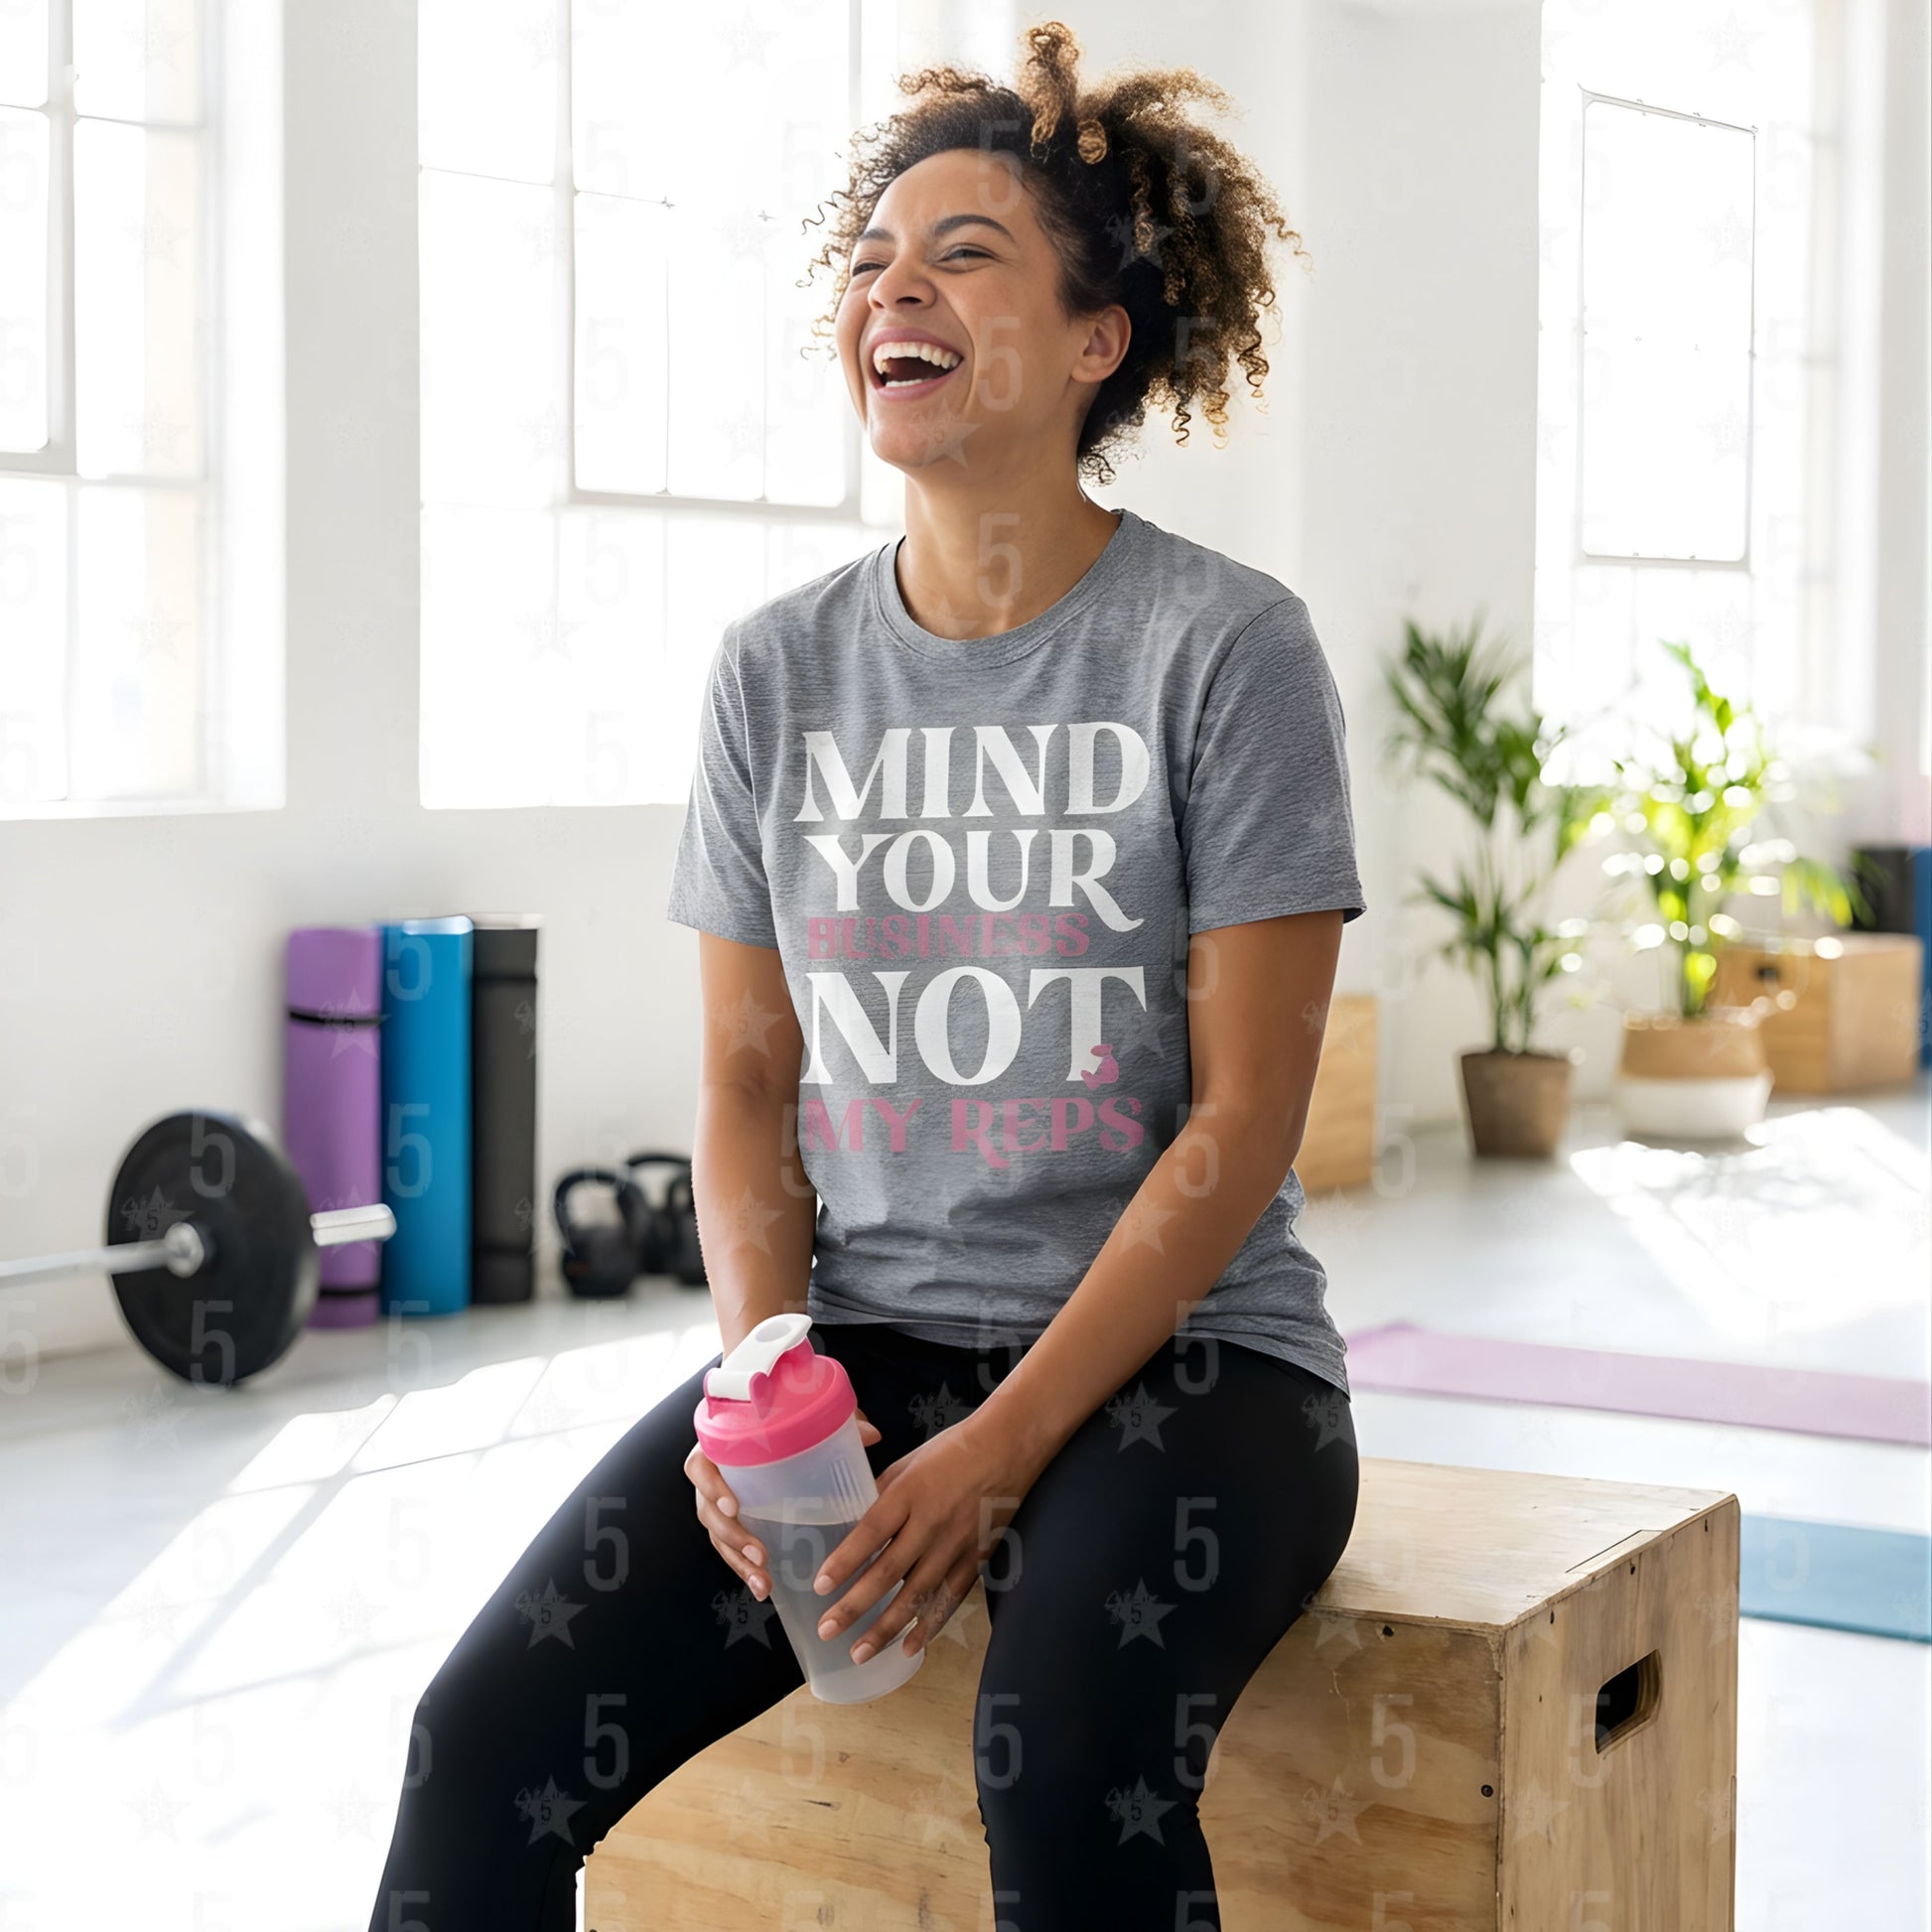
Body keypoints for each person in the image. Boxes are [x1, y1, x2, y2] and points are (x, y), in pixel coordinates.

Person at [367, 21, 1363, 1931]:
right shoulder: (776, 672)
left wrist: (996, 1450)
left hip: (1200, 1366)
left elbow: (1243, 1124)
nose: (890, 285)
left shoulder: (1224, 651)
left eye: (967, 251)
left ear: (1097, 342)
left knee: (1060, 1751)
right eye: (870, 259)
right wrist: (760, 1383)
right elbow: (749, 1088)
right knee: (476, 1744)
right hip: (862, 1352)